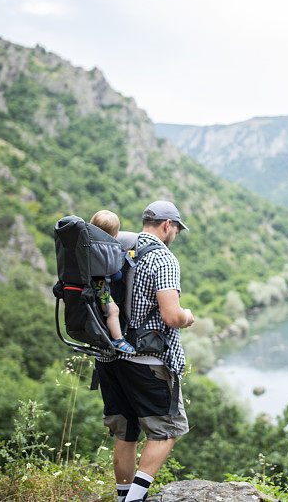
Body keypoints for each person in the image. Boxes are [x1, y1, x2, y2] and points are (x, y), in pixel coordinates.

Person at [94, 200, 195, 502]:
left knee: (127, 432)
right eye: (176, 228)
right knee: (167, 430)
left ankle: (123, 495)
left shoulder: (116, 245)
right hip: (147, 361)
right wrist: (188, 316)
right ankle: (135, 499)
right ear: (168, 225)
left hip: (110, 356)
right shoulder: (164, 259)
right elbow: (171, 316)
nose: (174, 234)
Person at [89, 210, 135, 354]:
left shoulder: (86, 245)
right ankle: (118, 340)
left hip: (85, 286)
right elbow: (115, 275)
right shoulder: (105, 251)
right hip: (100, 287)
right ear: (115, 236)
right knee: (113, 311)